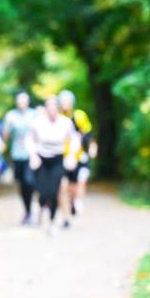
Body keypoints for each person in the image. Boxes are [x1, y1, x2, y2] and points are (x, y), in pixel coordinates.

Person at [25, 97, 81, 236]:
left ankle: (52, 220)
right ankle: (42, 206)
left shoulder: (66, 122)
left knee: (56, 190)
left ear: (58, 109)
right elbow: (29, 139)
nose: (51, 112)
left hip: (58, 159)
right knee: (43, 192)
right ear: (45, 110)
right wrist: (33, 155)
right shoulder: (37, 123)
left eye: (54, 109)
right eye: (49, 109)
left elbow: (74, 139)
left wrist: (72, 155)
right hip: (41, 159)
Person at [58, 89, 96, 224]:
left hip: (79, 155)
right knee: (65, 185)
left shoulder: (79, 116)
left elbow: (89, 133)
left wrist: (92, 147)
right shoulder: (57, 118)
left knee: (80, 181)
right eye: (62, 101)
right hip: (62, 156)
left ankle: (76, 201)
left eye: (67, 101)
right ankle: (68, 208)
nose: (65, 104)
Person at [2, 91, 39, 224]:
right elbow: (5, 135)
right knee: (22, 183)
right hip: (17, 154)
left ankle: (37, 203)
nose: (21, 103)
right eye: (19, 100)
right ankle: (27, 211)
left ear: (28, 101)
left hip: (32, 153)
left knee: (30, 181)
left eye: (24, 100)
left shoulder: (35, 114)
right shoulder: (10, 116)